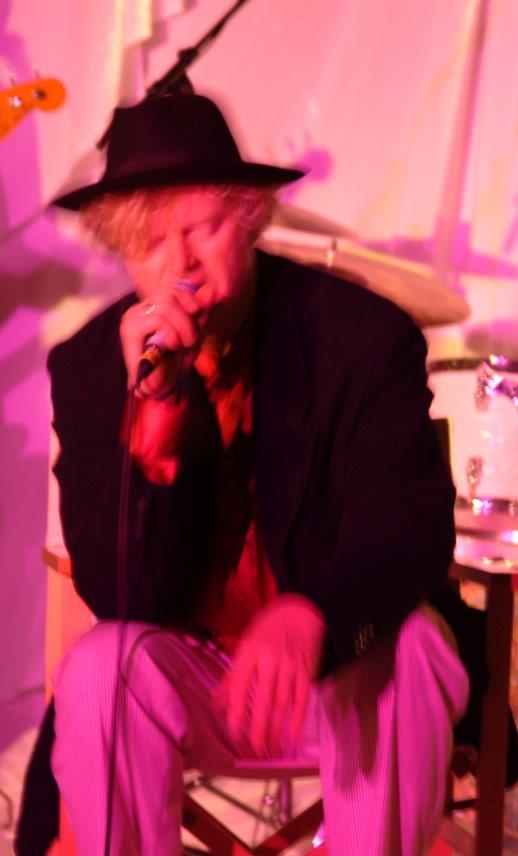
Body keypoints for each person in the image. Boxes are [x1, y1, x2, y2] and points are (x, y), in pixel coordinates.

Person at [45, 92, 468, 854]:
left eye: (200, 229)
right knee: (99, 667)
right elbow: (115, 594)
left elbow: (411, 530)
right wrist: (154, 425)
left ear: (249, 218)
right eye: (149, 243)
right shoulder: (90, 367)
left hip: (338, 668)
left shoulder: (360, 337)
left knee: (413, 647)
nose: (180, 264)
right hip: (198, 680)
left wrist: (314, 613)